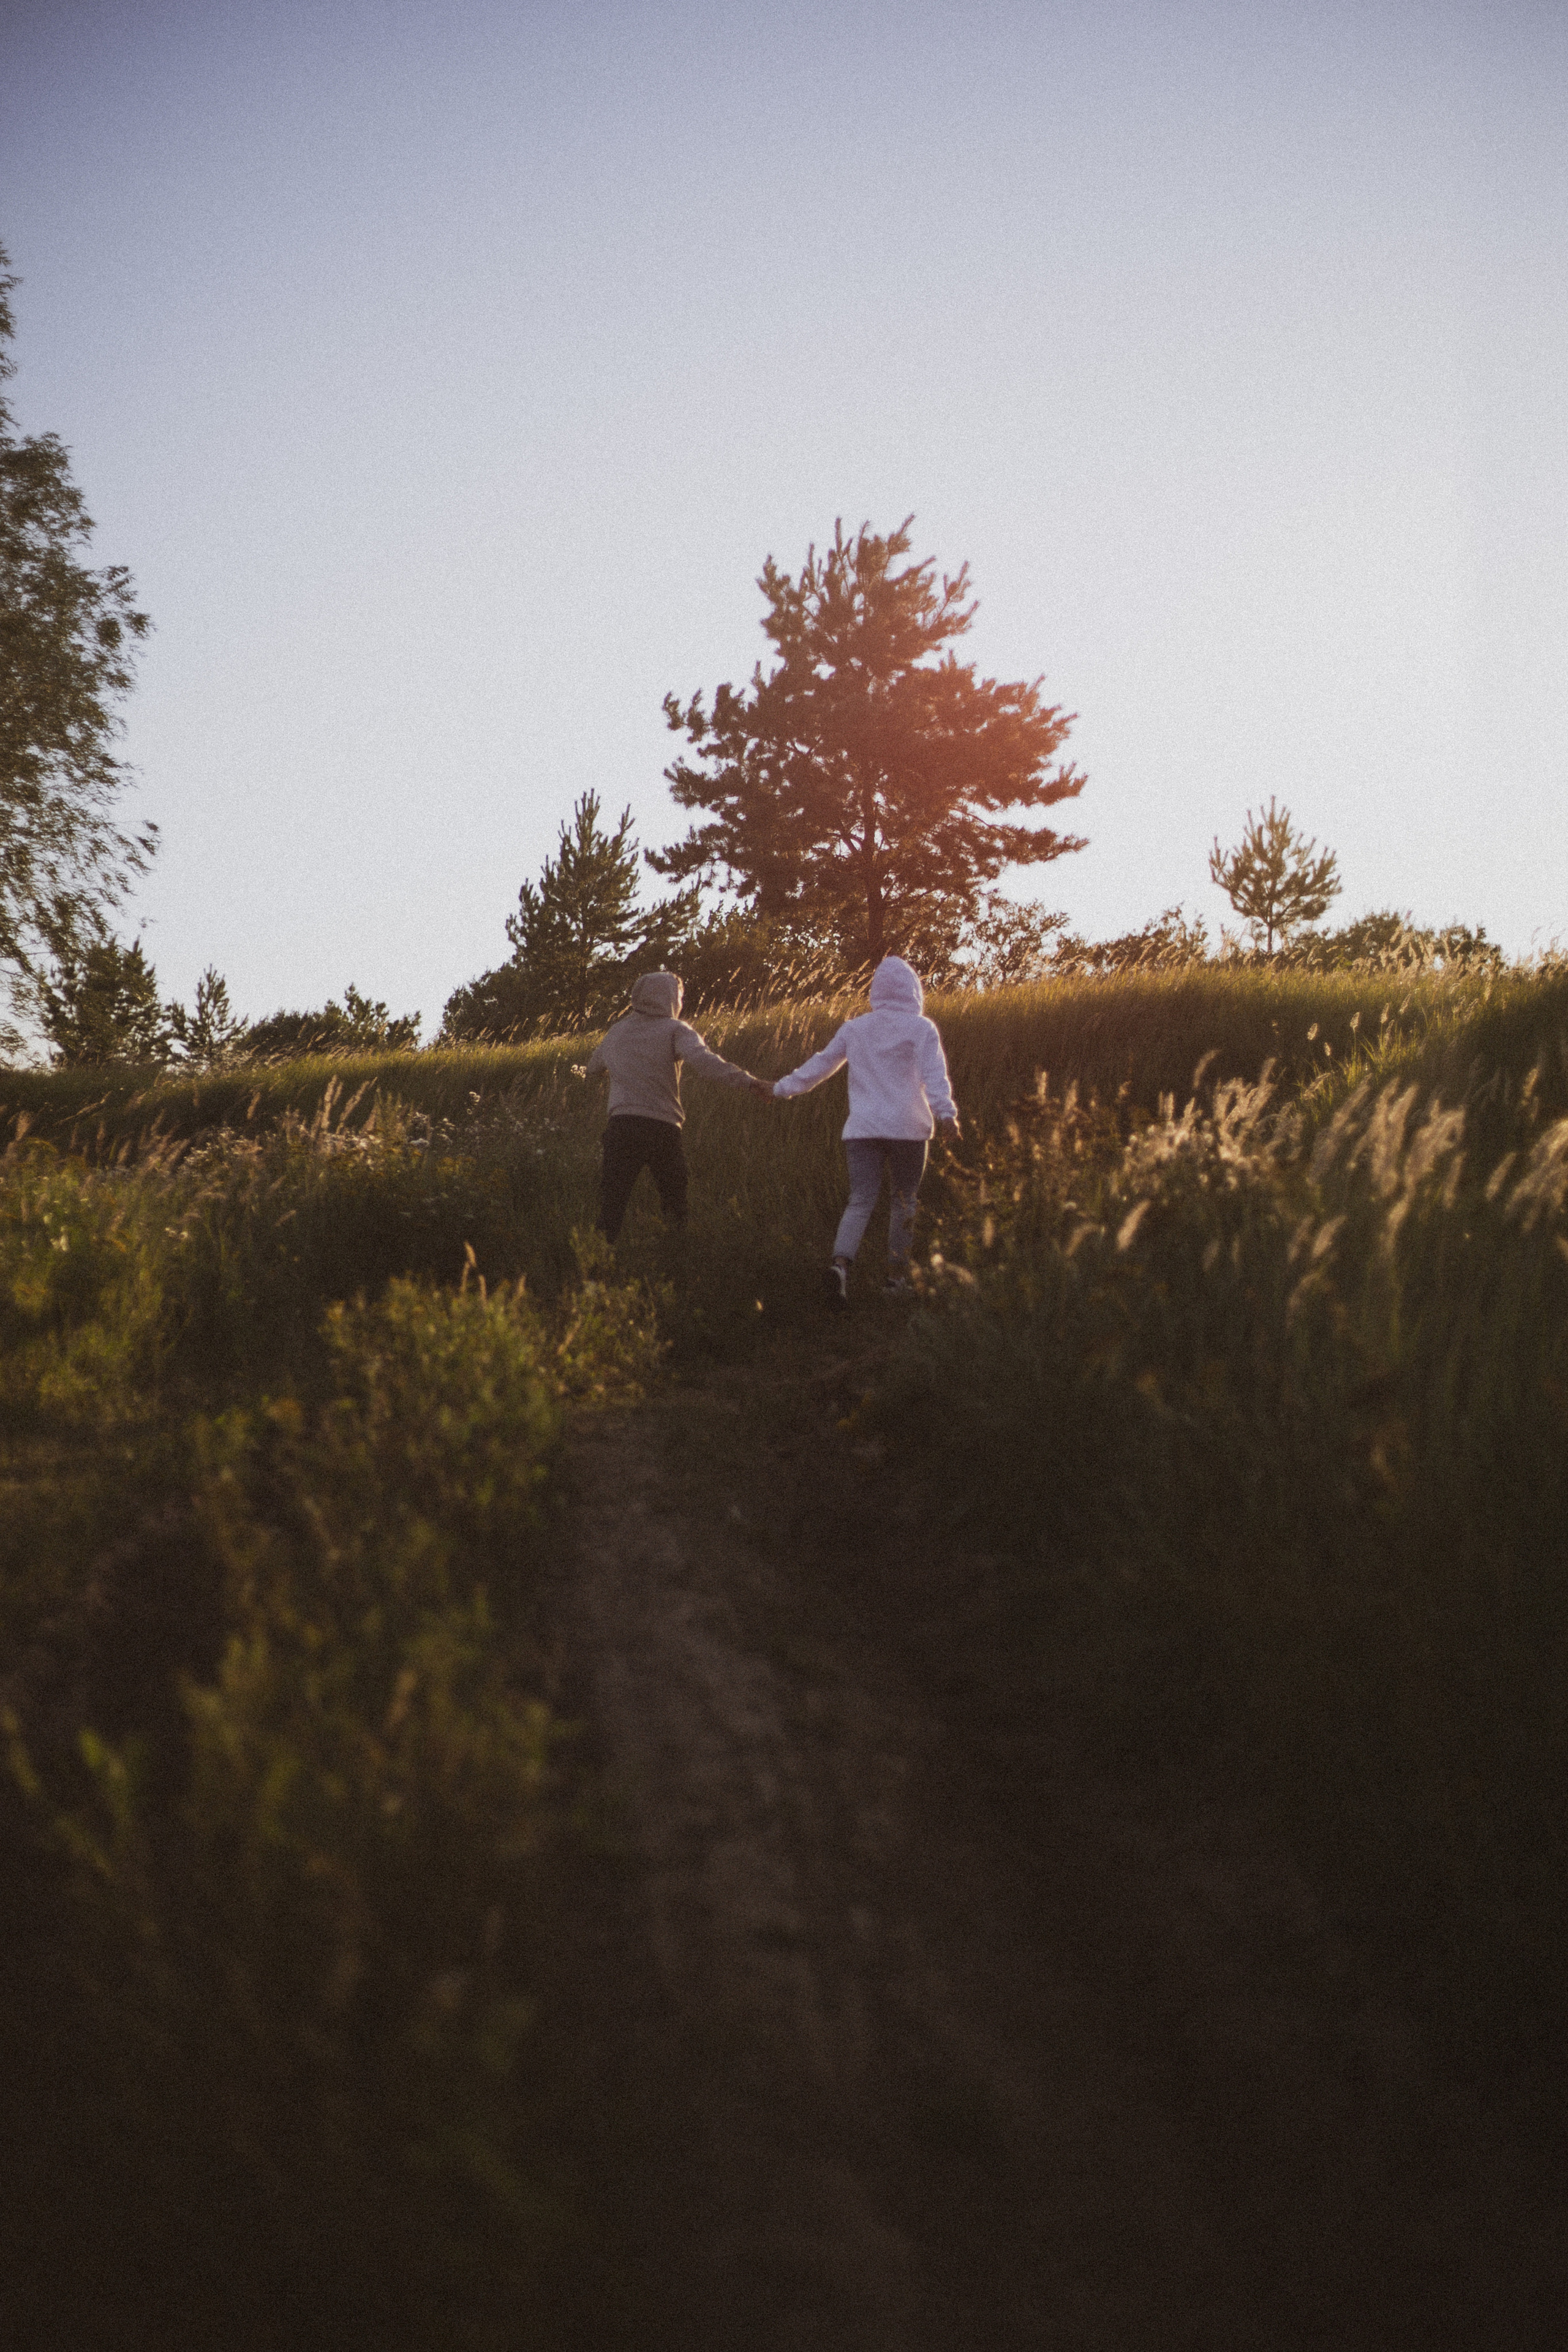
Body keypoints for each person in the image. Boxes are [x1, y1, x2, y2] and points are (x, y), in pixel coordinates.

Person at [771, 954, 960, 1305]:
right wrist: (946, 1115)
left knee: (860, 1200)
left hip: (862, 1130)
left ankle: (840, 1267)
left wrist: (781, 1088)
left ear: (875, 991)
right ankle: (895, 1280)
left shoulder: (855, 1027)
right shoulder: (922, 1029)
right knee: (904, 1202)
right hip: (909, 1129)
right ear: (914, 992)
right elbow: (935, 1077)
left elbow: (822, 1064)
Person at [585, 970, 770, 1241]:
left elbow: (592, 1068)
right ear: (670, 997)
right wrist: (750, 1082)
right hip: (662, 1130)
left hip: (621, 1127)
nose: (681, 1003)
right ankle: (675, 1260)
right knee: (675, 1205)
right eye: (680, 996)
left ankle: (594, 1270)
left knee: (611, 1207)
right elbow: (705, 1063)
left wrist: (618, 1069)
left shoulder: (617, 1032)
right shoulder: (675, 1029)